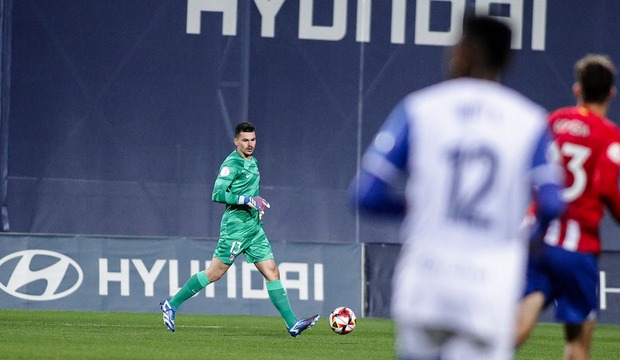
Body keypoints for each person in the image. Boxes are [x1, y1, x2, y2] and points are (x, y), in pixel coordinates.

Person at [349, 15, 565, 360]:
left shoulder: (419, 108)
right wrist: (531, 240)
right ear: (506, 60)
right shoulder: (530, 121)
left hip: (427, 277)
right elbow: (553, 204)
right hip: (490, 283)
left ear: (460, 52)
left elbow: (364, 194)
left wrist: (419, 206)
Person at [160, 122, 319, 337]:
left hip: (254, 228)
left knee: (272, 271)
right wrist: (247, 200)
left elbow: (250, 193)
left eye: (253, 139)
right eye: (245, 140)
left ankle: (292, 323)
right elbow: (217, 193)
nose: (250, 144)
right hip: (235, 228)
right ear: (236, 141)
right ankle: (172, 303)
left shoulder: (253, 162)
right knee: (215, 273)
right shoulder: (232, 164)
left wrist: (257, 203)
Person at [516, 54, 620, 359]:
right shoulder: (610, 136)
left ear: (578, 89)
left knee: (517, 327)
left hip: (538, 239)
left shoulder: (554, 121)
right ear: (611, 93)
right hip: (577, 247)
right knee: (578, 343)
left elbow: (530, 169)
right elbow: (604, 187)